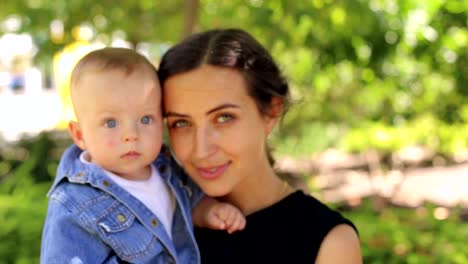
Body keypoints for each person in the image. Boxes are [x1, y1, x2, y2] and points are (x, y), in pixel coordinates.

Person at [158, 28, 362, 263]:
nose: (201, 150)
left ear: (271, 112)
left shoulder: (329, 242)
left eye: (224, 117)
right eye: (181, 123)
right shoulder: (149, 219)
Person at [40, 47, 246, 264]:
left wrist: (209, 211)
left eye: (146, 119)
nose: (132, 135)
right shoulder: (74, 202)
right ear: (80, 135)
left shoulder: (163, 166)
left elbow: (185, 203)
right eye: (111, 123)